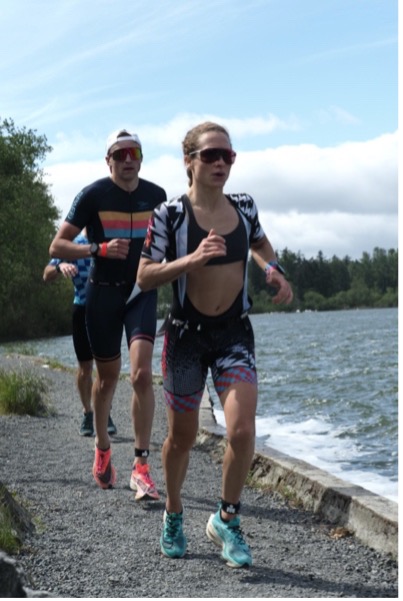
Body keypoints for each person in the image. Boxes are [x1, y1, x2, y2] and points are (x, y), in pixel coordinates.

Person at [136, 122, 293, 567]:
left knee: (242, 431)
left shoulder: (244, 206)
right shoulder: (170, 214)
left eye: (228, 155)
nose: (221, 162)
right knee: (182, 438)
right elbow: (144, 275)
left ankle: (227, 518)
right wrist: (192, 258)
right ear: (189, 161)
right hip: (185, 338)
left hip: (233, 334)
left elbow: (260, 243)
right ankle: (173, 511)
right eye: (210, 155)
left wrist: (273, 269)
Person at [49, 129, 167, 499]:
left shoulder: (157, 196)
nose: (127, 159)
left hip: (141, 293)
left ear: (142, 158)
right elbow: (57, 246)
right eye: (120, 154)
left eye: (134, 153)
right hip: (101, 295)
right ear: (108, 161)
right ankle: (102, 448)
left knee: (142, 375)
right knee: (107, 379)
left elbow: (172, 247)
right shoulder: (92, 195)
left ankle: (141, 467)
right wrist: (97, 249)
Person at [42, 230, 117, 438]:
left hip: (105, 310)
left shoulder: (109, 241)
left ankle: (104, 412)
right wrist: (59, 267)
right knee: (85, 368)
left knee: (107, 368)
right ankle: (87, 412)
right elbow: (46, 274)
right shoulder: (73, 244)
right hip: (82, 310)